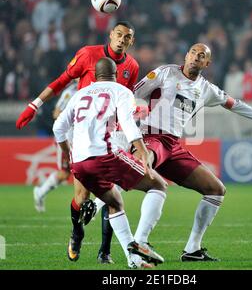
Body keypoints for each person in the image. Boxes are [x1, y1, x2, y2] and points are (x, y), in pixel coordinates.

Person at [129, 43, 252, 261]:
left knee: (216, 189)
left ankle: (192, 249)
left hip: (173, 146)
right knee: (139, 168)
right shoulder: (165, 72)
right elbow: (132, 93)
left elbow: (236, 104)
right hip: (152, 137)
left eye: (202, 55)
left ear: (207, 63)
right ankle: (137, 240)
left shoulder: (207, 89)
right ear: (186, 56)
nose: (196, 56)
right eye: (193, 52)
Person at [16, 21, 145, 264]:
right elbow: (61, 81)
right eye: (118, 34)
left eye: (127, 37)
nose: (122, 40)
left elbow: (123, 102)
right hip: (83, 130)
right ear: (110, 35)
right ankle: (77, 231)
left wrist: (130, 129)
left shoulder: (133, 66)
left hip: (110, 132)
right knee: (81, 196)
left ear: (132, 41)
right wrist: (35, 105)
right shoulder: (88, 54)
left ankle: (105, 252)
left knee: (113, 192)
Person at [53, 57, 167, 268]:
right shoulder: (120, 91)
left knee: (114, 203)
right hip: (105, 155)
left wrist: (68, 154)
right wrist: (141, 148)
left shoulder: (80, 93)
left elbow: (58, 128)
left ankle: (134, 260)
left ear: (95, 76)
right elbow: (126, 121)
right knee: (159, 185)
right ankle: (139, 242)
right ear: (116, 74)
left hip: (79, 162)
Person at [33, 82, 77, 212]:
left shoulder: (90, 88)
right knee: (64, 174)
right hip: (68, 139)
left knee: (86, 171)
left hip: (83, 139)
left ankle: (84, 205)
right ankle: (40, 192)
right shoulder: (71, 92)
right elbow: (56, 113)